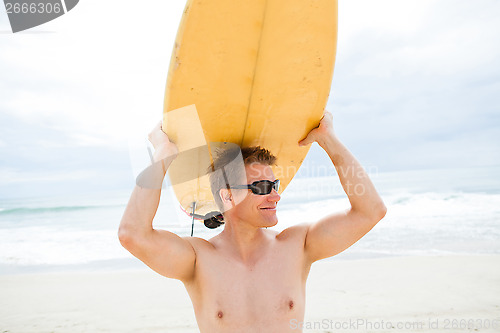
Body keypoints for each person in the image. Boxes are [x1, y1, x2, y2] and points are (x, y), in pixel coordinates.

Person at [118, 111, 386, 332]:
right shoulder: (198, 259)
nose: (276, 195)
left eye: (275, 184)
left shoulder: (298, 245)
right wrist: (163, 155)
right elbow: (132, 234)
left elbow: (371, 211)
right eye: (261, 187)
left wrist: (329, 140)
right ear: (227, 197)